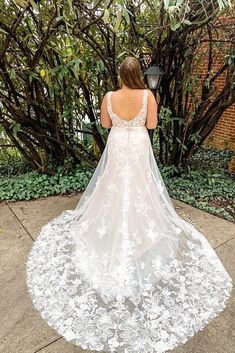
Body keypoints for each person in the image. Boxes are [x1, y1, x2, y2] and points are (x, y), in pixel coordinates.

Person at [26, 56, 233, 353]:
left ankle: (112, 231)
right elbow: (151, 125)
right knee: (140, 189)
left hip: (117, 144)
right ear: (139, 74)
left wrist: (122, 122)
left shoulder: (109, 97)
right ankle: (141, 233)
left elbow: (106, 123)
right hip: (137, 145)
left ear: (120, 73)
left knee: (113, 188)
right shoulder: (148, 95)